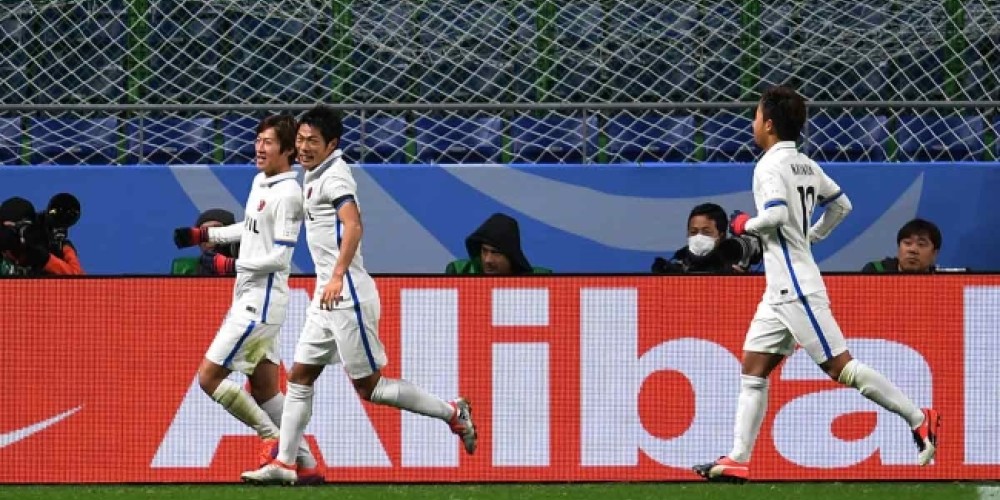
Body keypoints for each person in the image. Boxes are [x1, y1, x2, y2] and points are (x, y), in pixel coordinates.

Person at [692, 86, 940, 484]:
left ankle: (917, 416)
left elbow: (774, 216)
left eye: (755, 116)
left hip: (795, 288)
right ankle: (738, 458)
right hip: (779, 290)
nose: (753, 123)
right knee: (753, 369)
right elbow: (842, 204)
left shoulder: (768, 166)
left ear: (768, 125)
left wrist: (742, 225)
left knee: (842, 369)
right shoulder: (805, 165)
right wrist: (812, 236)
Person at [241, 105, 477, 485]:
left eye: (312, 141)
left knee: (372, 388)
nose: (303, 147)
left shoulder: (335, 176)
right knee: (299, 377)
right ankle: (284, 463)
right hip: (325, 297)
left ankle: (453, 413)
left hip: (346, 295)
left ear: (331, 144)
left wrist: (337, 276)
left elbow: (353, 225)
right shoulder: (311, 174)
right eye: (300, 139)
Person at [171, 115, 321, 482]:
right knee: (267, 391)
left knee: (208, 378)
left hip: (261, 304)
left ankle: (271, 439)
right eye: (258, 140)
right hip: (250, 298)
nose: (259, 147)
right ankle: (307, 465)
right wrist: (206, 236)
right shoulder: (261, 182)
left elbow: (281, 258)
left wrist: (231, 265)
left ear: (287, 151)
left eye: (268, 142)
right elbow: (251, 229)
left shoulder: (289, 195)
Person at [651, 202, 745, 274]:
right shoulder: (678, 265)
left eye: (706, 232)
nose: (699, 237)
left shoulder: (733, 267)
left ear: (721, 235)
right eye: (693, 232)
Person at [445, 212, 551, 275]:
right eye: (484, 251)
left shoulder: (540, 280)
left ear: (511, 256)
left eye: (495, 252)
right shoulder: (459, 272)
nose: (487, 260)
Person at [0, 196, 83, 276]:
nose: (20, 236)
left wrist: (46, 259)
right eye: (11, 230)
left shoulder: (58, 246)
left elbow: (79, 279)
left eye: (25, 229)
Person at [170, 209, 239, 275]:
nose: (209, 238)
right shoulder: (184, 270)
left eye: (216, 230)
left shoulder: (243, 267)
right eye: (204, 232)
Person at [862, 218, 941, 273]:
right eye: (907, 243)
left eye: (921, 244)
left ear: (934, 254)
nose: (912, 250)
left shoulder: (941, 281)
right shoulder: (875, 271)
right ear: (899, 248)